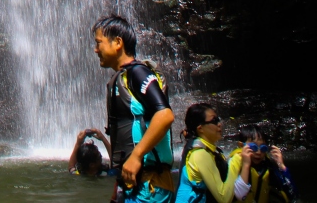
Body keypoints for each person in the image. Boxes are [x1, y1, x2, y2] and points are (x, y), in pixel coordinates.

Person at [93, 15, 176, 203]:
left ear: (117, 42)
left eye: (99, 43)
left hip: (150, 185)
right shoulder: (120, 78)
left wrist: (137, 156)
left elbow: (165, 115)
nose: (95, 49)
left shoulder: (138, 73)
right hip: (132, 184)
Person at [177, 104, 251, 203]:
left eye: (218, 120)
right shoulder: (200, 154)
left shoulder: (209, 150)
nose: (219, 124)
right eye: (214, 121)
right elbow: (223, 198)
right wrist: (236, 160)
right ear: (200, 128)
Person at [235, 128, 297, 203]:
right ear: (241, 145)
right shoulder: (235, 164)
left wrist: (281, 166)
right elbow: (239, 196)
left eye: (263, 148)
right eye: (253, 147)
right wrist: (246, 165)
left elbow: (292, 195)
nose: (258, 152)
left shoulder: (267, 167)